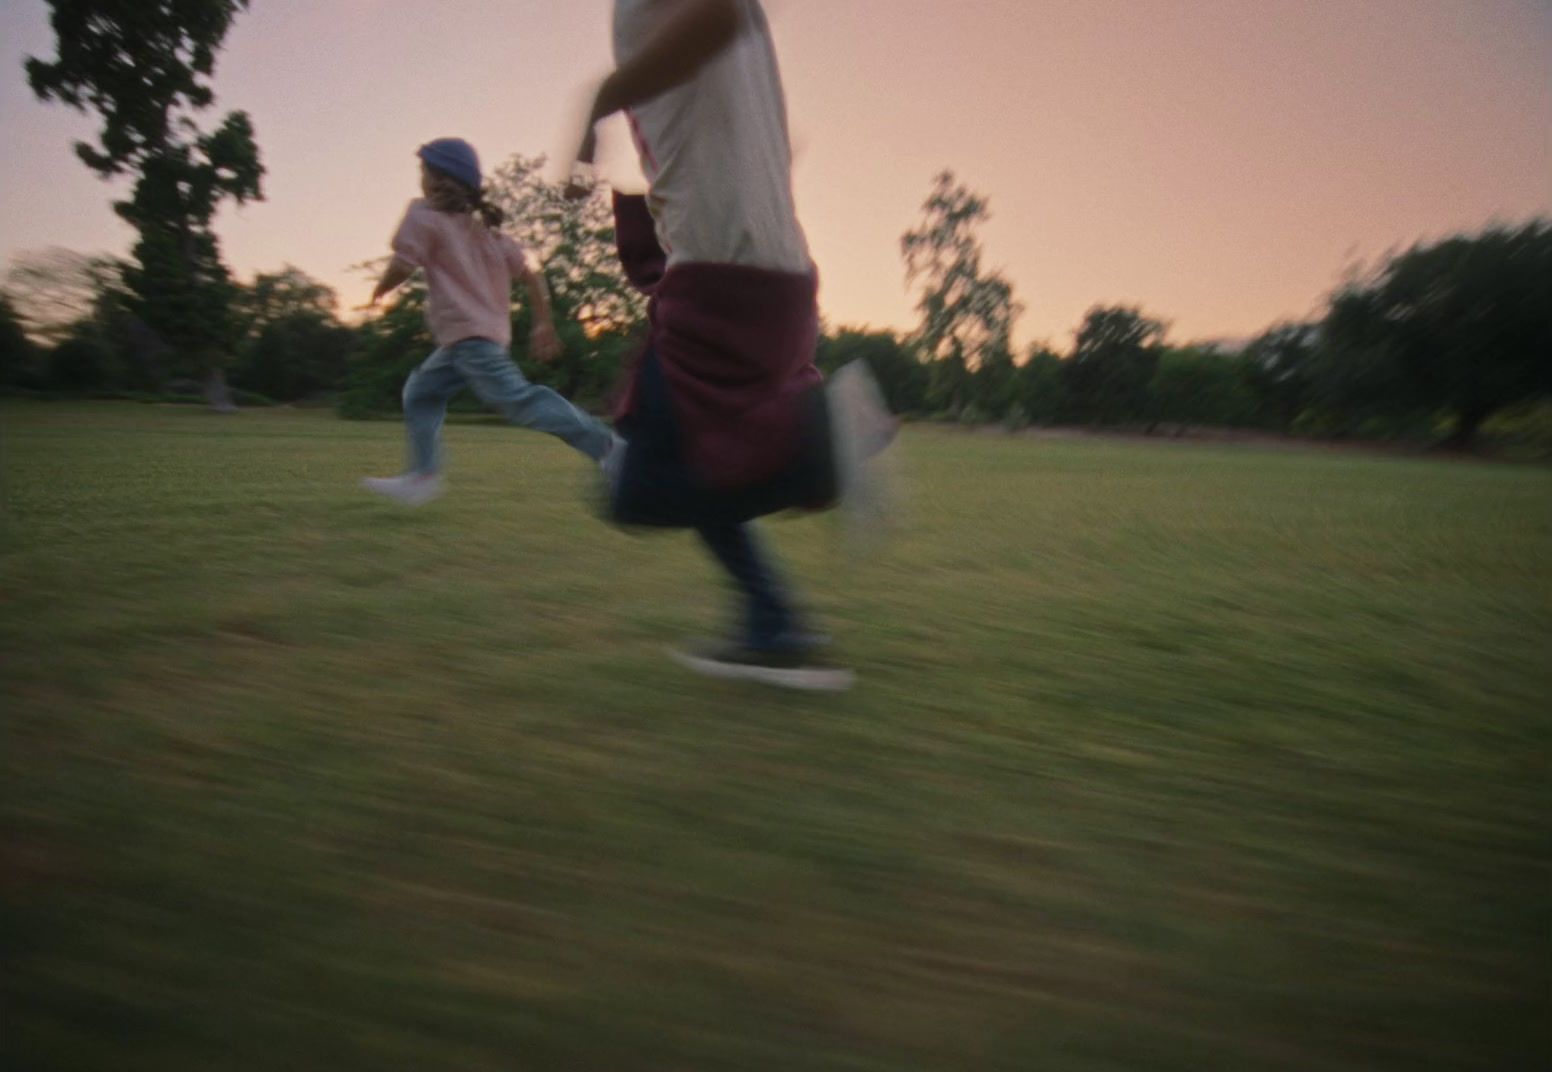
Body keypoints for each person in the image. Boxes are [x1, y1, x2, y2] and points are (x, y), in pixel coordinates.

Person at [568, 0, 892, 690]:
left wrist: (597, 104)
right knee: (695, 461)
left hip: (723, 268)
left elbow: (709, 17)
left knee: (638, 485)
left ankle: (825, 438)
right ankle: (773, 625)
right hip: (772, 277)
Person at [362, 137, 618, 506]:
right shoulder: (488, 233)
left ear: (435, 178)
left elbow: (403, 263)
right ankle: (423, 475)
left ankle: (609, 447)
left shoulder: (424, 214)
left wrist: (380, 290)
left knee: (519, 400)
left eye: (422, 170)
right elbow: (532, 273)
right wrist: (542, 322)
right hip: (471, 341)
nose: (420, 179)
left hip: (471, 341)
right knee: (420, 393)